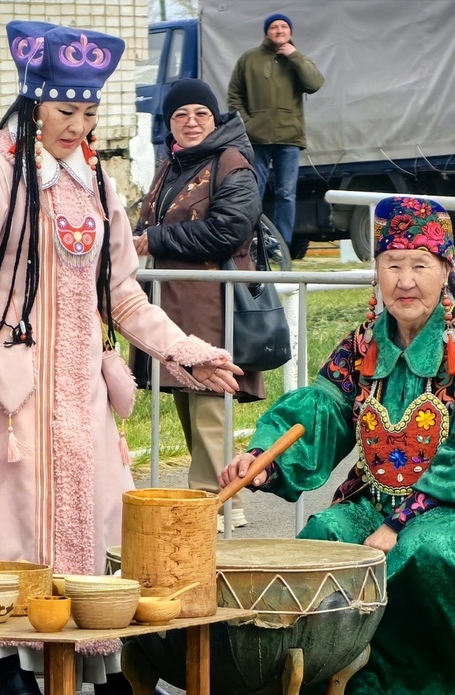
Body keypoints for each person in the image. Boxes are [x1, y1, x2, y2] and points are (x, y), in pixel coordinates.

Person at [0, 21, 241, 695]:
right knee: (2, 527)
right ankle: (9, 666)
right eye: (67, 110)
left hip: (79, 390)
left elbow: (123, 296)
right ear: (33, 103)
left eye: (89, 113)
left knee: (92, 523)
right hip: (2, 384)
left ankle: (101, 670)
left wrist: (186, 351)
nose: (78, 126)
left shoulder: (95, 182)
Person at [219, 197, 455, 695]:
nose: (405, 280)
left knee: (432, 550)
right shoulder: (361, 344)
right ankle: (337, 677)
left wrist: (399, 523)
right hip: (373, 500)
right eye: (392, 264)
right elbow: (322, 412)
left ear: (446, 270)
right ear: (375, 271)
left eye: (420, 265)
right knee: (326, 536)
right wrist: (266, 460)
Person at [132, 78, 263, 532]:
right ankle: (227, 501)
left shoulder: (231, 163)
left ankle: (213, 504)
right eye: (180, 115)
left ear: (215, 118)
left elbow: (229, 230)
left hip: (213, 302)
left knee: (209, 403)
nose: (191, 122)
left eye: (200, 114)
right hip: (176, 301)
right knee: (189, 404)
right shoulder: (173, 164)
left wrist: (154, 239)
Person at [227, 12, 324, 253]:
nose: (279, 30)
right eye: (274, 27)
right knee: (253, 193)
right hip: (256, 139)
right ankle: (250, 242)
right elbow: (234, 95)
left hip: (289, 139)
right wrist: (248, 125)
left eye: (284, 27)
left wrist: (294, 55)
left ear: (290, 31)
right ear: (266, 32)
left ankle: (280, 246)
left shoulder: (297, 59)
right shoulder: (249, 59)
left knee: (286, 194)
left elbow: (315, 84)